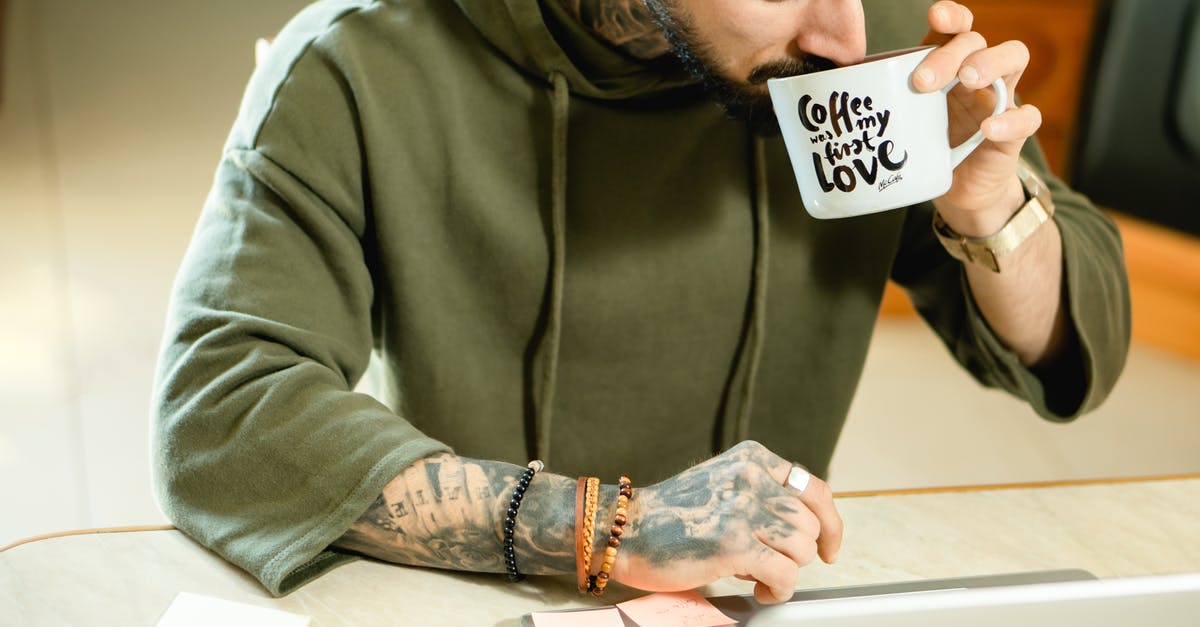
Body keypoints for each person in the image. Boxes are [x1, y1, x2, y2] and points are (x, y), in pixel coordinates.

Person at [152, 0, 1130, 603]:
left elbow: (1077, 344)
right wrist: (610, 528)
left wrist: (995, 208)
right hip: (470, 597)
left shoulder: (877, 60)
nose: (844, 31)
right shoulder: (354, 64)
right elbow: (224, 414)